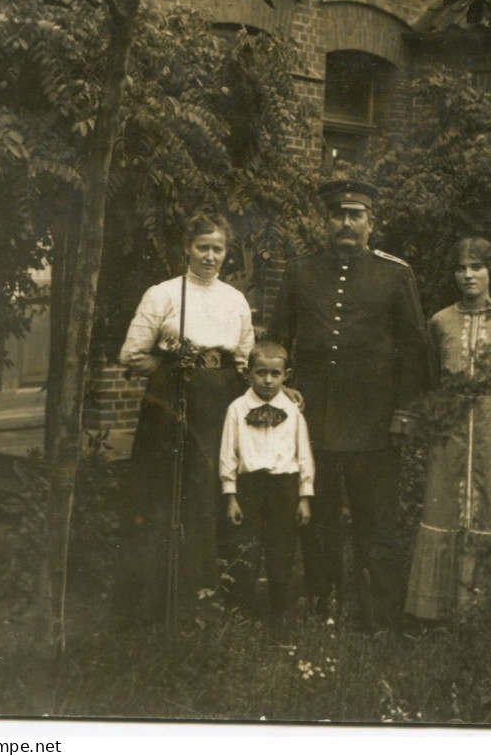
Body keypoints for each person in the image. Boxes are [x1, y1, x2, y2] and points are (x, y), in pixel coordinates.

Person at [268, 178, 429, 632]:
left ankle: (379, 617)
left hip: (376, 423)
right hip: (313, 420)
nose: (346, 223)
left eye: (355, 215)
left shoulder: (395, 274)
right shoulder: (301, 272)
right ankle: (324, 607)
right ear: (326, 220)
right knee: (317, 522)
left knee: (376, 523)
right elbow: (277, 340)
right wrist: (284, 391)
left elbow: (414, 351)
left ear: (370, 222)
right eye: (338, 215)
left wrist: (404, 412)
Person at [114, 211, 255, 624]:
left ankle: (215, 598)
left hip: (222, 403)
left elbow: (244, 358)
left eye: (218, 249)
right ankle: (160, 602)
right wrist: (172, 366)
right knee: (168, 494)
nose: (211, 257)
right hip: (173, 402)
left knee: (215, 490)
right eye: (203, 247)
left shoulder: (235, 299)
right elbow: (132, 354)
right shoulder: (162, 294)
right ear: (187, 249)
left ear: (226, 253)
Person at [405, 237, 491, 623]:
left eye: (476, 267)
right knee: (444, 504)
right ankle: (439, 610)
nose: (468, 275)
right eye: (460, 268)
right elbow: (429, 380)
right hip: (451, 429)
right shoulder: (440, 322)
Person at [219, 341, 314, 639]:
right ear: (248, 374)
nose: (269, 381)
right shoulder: (237, 409)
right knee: (245, 546)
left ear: (287, 375)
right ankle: (241, 611)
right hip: (249, 486)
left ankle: (278, 613)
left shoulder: (293, 411)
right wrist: (230, 495)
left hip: (284, 487)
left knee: (281, 547)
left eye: (276, 374)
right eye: (261, 373)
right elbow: (228, 453)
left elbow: (303, 455)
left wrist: (304, 497)